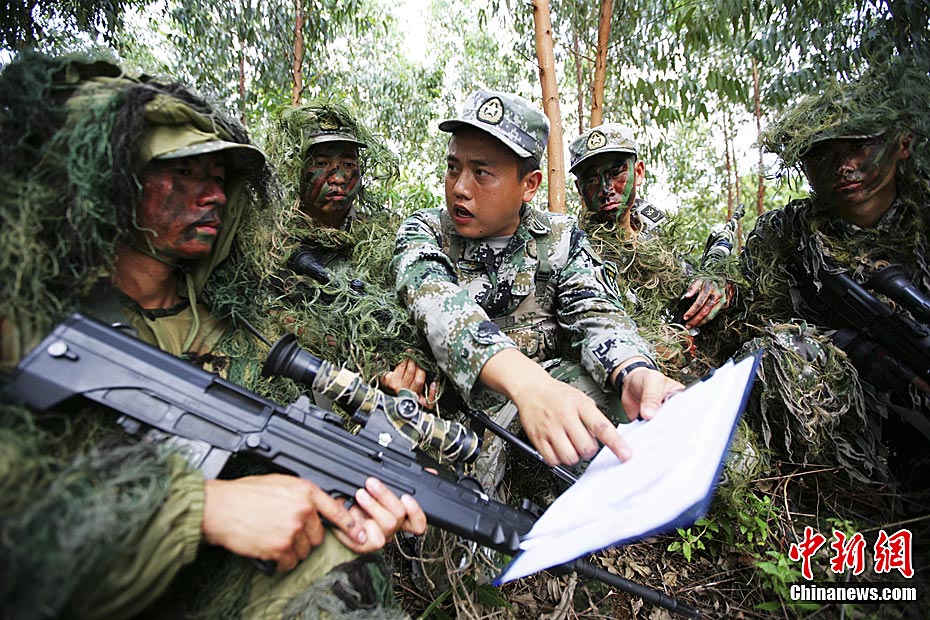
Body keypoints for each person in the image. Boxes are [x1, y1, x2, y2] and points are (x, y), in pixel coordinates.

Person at [0, 52, 425, 620]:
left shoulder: (237, 320)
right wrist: (202, 508)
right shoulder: (29, 321)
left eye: (219, 179)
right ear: (115, 185)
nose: (214, 196)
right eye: (183, 175)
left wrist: (348, 495)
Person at [392, 90, 683, 490]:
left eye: (481, 173)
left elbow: (596, 310)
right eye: (452, 167)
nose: (459, 188)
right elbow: (437, 303)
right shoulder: (425, 232)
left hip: (546, 406)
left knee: (641, 420)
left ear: (528, 185)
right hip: (452, 421)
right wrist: (531, 387)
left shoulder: (560, 239)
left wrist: (632, 369)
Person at [736, 59, 930, 484]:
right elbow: (757, 318)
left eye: (857, 147)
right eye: (822, 155)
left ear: (902, 144)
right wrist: (859, 349)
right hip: (858, 406)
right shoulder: (787, 233)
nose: (843, 166)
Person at [260, 103, 437, 407]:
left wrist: (412, 363)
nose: (338, 178)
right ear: (297, 169)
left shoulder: (388, 235)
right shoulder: (270, 242)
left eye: (347, 163)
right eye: (322, 163)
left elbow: (423, 310)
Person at [568, 122, 736, 335]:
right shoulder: (576, 252)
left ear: (638, 173)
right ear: (579, 189)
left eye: (616, 173)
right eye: (592, 180)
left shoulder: (657, 235)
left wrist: (717, 282)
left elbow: (693, 280)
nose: (606, 190)